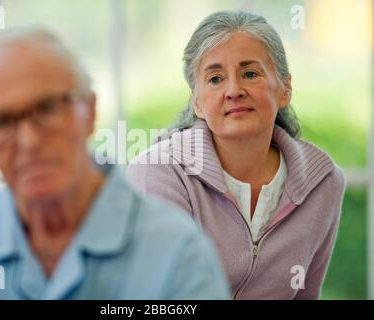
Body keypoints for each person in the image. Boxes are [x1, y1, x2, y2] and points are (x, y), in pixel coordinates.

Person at [0, 28, 229, 300]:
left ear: (91, 111)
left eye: (47, 109)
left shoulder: (176, 253)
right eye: (1, 122)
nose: (29, 141)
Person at [127, 11, 345, 299]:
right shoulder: (158, 173)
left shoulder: (324, 182)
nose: (233, 90)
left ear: (285, 89)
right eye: (215, 79)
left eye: (250, 74)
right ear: (198, 103)